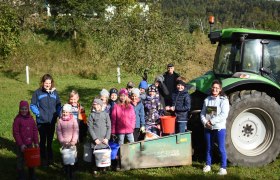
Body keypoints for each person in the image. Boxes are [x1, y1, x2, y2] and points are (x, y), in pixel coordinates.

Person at [30, 74, 61, 166]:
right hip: (41, 122)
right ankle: (43, 158)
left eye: (49, 83)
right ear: (42, 83)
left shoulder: (55, 93)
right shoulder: (37, 92)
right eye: (46, 83)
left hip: (51, 121)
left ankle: (50, 158)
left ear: (51, 83)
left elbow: (58, 105)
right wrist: (39, 114)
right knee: (43, 141)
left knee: (50, 141)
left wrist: (58, 113)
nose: (47, 84)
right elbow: (32, 105)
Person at [200, 80, 230, 175]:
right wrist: (205, 122)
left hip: (219, 128)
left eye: (217, 88)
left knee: (221, 148)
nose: (215, 89)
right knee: (209, 147)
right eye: (213, 87)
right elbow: (202, 113)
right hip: (208, 128)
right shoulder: (207, 100)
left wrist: (212, 121)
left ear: (220, 89)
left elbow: (224, 114)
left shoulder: (224, 100)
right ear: (211, 88)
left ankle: (223, 168)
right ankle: (208, 165)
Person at [13, 101, 39, 180]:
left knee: (31, 160)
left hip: (30, 144)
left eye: (25, 109)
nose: (24, 110)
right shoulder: (17, 120)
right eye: (22, 109)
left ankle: (32, 175)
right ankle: (21, 176)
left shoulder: (31, 119)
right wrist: (21, 144)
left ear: (28, 109)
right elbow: (16, 133)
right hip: (21, 145)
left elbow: (35, 130)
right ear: (19, 109)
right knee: (21, 160)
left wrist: (36, 142)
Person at [87, 98, 111, 174]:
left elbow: (109, 127)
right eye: (94, 104)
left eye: (97, 104)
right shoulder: (91, 115)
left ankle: (103, 167)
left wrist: (107, 138)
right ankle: (95, 168)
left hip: (104, 140)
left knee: (104, 154)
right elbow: (90, 128)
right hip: (95, 140)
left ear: (101, 105)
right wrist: (95, 138)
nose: (96, 106)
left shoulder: (105, 114)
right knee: (95, 154)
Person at [56, 104, 79, 180]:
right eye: (63, 112)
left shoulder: (73, 120)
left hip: (72, 143)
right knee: (65, 157)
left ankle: (72, 172)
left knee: (72, 158)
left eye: (66, 112)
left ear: (70, 113)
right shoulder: (60, 121)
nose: (65, 113)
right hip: (64, 143)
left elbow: (76, 131)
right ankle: (66, 170)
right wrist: (62, 141)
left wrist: (73, 141)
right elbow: (58, 131)